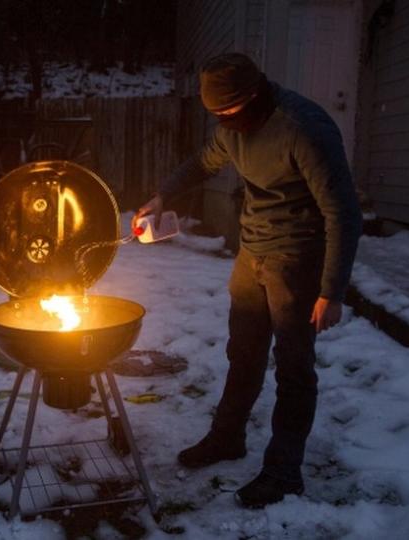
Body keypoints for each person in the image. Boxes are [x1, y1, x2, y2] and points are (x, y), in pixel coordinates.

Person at [133, 53, 363, 509]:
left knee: (294, 367)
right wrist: (163, 196)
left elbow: (344, 213)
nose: (222, 123)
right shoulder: (232, 128)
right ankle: (227, 438)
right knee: (243, 353)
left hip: (297, 258)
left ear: (252, 97)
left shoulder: (304, 129)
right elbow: (202, 163)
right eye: (215, 115)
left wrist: (331, 291)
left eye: (227, 114)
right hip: (252, 251)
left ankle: (283, 472)